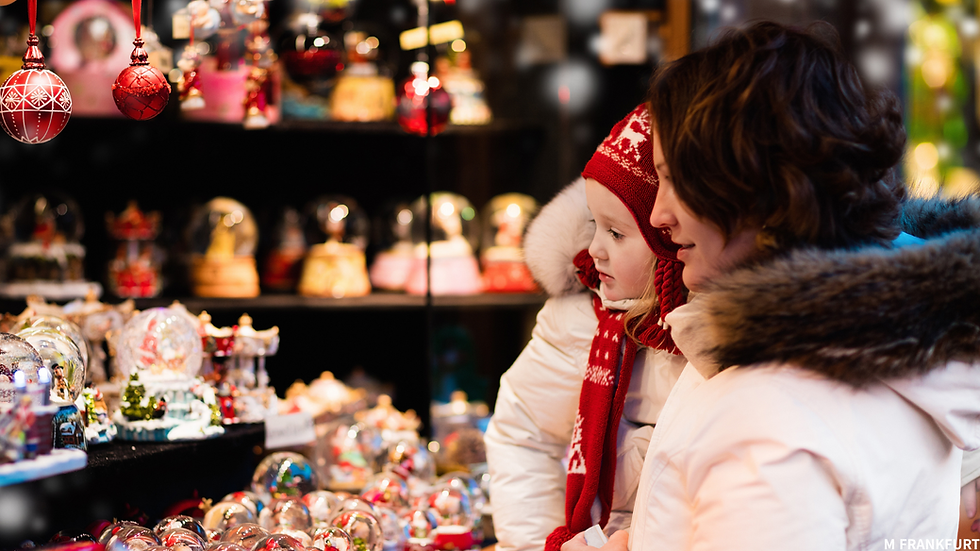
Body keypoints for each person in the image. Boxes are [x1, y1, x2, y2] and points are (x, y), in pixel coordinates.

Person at [561, 20, 980, 551]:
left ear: (751, 187)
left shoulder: (769, 413)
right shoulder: (892, 348)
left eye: (673, 180)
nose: (659, 215)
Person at [485, 104, 689, 551]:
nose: (594, 249)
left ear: (670, 239)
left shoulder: (708, 336)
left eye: (617, 233)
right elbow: (522, 432)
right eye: (595, 224)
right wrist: (535, 545)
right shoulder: (579, 319)